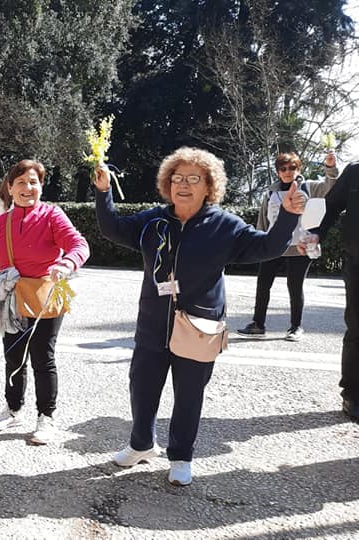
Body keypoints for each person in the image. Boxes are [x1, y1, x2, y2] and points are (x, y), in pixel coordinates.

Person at [94, 147, 306, 487]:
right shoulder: (154, 220)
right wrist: (103, 192)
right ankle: (141, 444)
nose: (184, 185)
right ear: (167, 183)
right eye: (178, 178)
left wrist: (289, 217)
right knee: (142, 386)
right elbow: (113, 229)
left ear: (209, 186)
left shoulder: (224, 225)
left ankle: (180, 455)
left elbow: (266, 248)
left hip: (199, 326)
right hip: (153, 322)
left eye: (194, 179)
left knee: (189, 394)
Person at [0, 160, 89, 445]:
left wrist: (67, 263)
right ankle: (13, 409)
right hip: (10, 299)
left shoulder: (52, 215)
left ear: (41, 186)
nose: (28, 188)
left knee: (42, 358)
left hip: (45, 297)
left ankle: (46, 417)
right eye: (21, 183)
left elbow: (79, 244)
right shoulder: (1, 223)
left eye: (34, 182)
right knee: (13, 356)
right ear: (10, 188)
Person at [237, 151, 338, 341]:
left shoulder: (308, 187)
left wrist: (331, 168)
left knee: (295, 286)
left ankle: (295, 327)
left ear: (298, 169)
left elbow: (330, 187)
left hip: (299, 246)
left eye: (292, 167)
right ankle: (258, 324)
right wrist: (259, 242)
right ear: (277, 171)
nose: (287, 172)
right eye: (283, 168)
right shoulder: (270, 192)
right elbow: (263, 221)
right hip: (273, 245)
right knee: (263, 285)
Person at [298, 162, 359, 420]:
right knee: (357, 327)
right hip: (357, 262)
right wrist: (315, 234)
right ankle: (352, 395)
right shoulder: (355, 172)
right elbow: (331, 206)